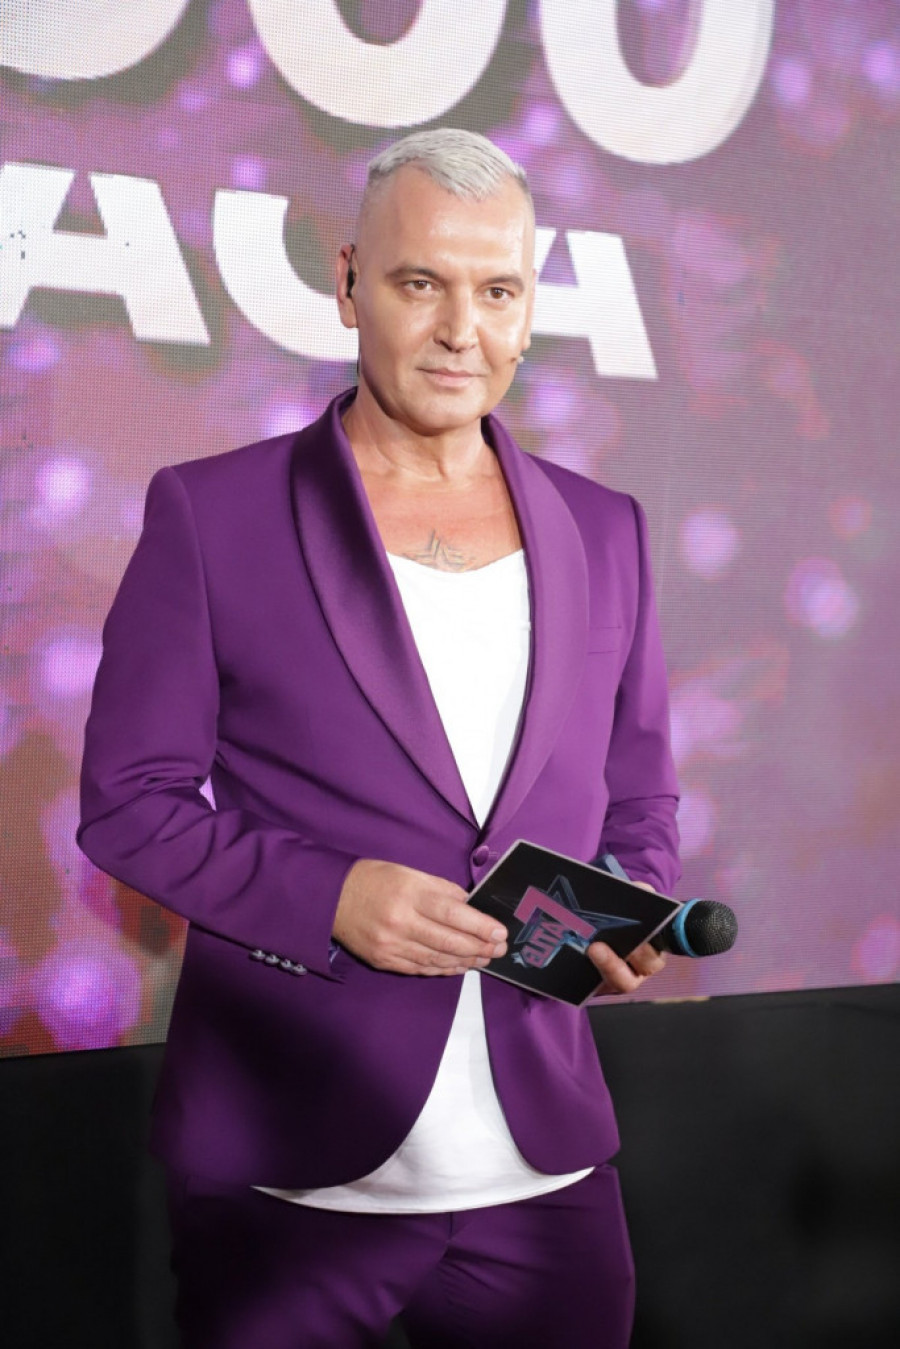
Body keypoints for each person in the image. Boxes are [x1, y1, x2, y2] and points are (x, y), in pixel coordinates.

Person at [78, 128, 680, 1348]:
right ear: (351, 283)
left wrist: (628, 911)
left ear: (528, 307)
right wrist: (330, 896)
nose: (463, 330)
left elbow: (640, 799)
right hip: (287, 1182)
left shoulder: (605, 526)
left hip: (546, 1175)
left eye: (497, 291)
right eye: (421, 283)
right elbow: (129, 802)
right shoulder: (212, 512)